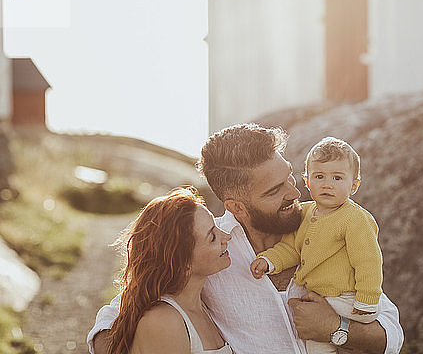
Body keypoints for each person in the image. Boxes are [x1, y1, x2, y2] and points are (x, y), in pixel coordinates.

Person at [88, 123, 404, 354]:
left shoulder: (327, 225)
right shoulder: (209, 249)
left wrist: (336, 329)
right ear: (237, 207)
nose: (295, 194)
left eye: (290, 178)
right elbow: (110, 328)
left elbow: (391, 333)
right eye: (274, 191)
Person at [251, 137, 383, 353]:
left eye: (337, 178)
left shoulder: (355, 218)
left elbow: (368, 260)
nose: (327, 184)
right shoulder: (303, 213)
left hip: (347, 299)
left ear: (354, 186)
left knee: (353, 344)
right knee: (315, 346)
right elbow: (291, 248)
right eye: (319, 176)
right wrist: (269, 260)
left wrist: (367, 299)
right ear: (307, 180)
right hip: (317, 298)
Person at [106, 187, 233, 354]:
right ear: (184, 262)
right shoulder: (164, 322)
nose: (227, 237)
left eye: (216, 226)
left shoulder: (203, 304)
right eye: (212, 237)